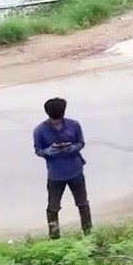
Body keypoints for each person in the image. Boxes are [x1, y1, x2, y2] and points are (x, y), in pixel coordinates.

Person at [32, 97, 91, 239]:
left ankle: (88, 234)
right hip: (56, 175)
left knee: (82, 204)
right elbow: (39, 150)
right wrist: (49, 151)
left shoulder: (74, 125)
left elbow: (81, 143)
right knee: (53, 207)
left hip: (75, 171)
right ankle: (54, 237)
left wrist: (72, 148)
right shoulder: (40, 130)